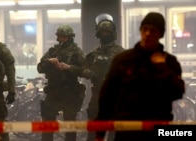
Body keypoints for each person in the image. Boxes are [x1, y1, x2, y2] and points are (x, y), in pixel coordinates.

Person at [95, 12, 185, 141]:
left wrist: (162, 67)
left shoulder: (169, 62)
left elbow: (177, 92)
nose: (148, 33)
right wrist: (100, 132)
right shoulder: (123, 60)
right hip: (127, 128)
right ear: (141, 30)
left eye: (153, 30)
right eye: (145, 29)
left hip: (157, 126)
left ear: (160, 34)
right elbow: (107, 96)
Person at [80, 13, 124, 141]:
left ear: (112, 33)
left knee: (114, 128)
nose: (105, 35)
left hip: (116, 95)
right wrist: (88, 72)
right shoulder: (93, 54)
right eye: (102, 32)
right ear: (98, 34)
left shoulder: (121, 53)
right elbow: (82, 69)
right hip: (97, 95)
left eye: (107, 32)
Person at [37, 24, 86, 141]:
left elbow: (86, 71)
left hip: (70, 92)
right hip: (53, 91)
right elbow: (40, 68)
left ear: (70, 37)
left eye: (64, 37)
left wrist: (70, 67)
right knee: (48, 122)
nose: (61, 39)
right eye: (60, 37)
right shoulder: (53, 51)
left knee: (69, 123)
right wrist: (49, 62)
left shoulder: (77, 52)